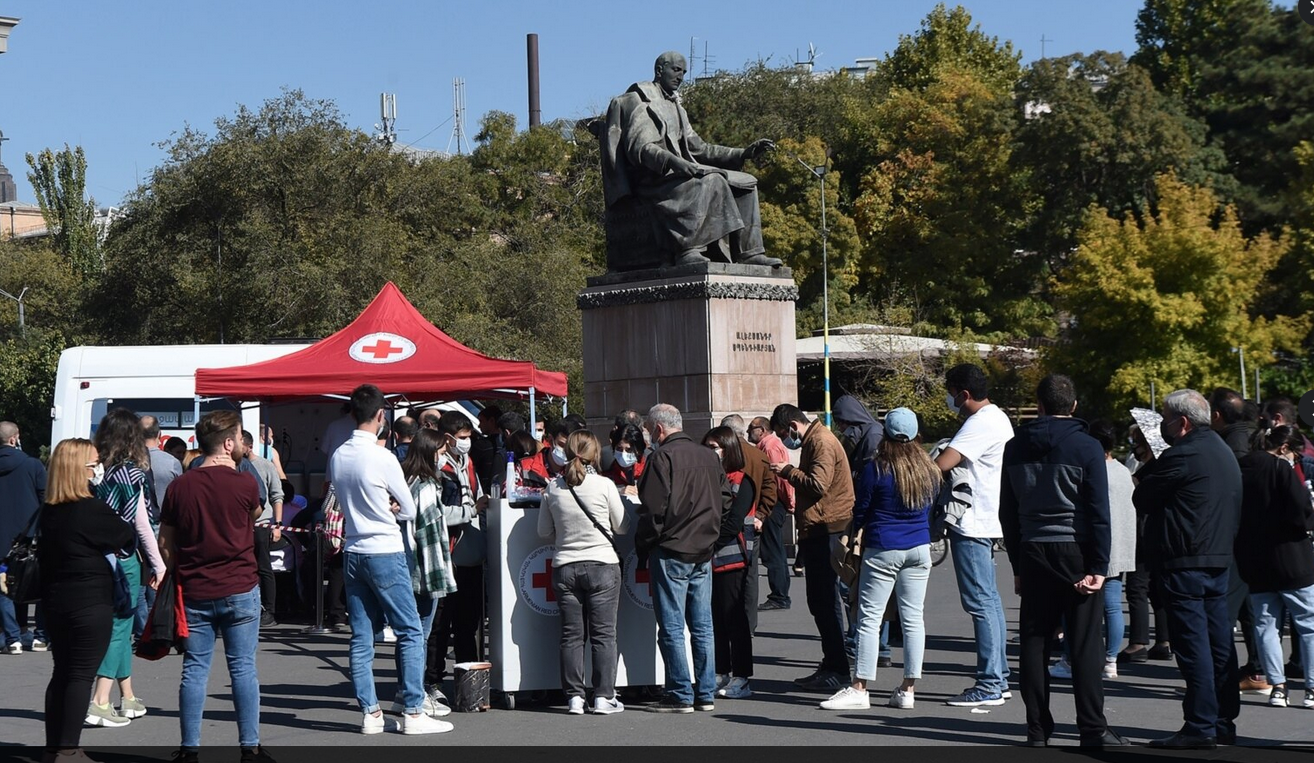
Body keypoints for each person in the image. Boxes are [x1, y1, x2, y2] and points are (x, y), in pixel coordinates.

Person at [999, 375, 1127, 748]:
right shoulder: (1087, 447)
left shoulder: (1015, 446)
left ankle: (1037, 729)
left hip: (1034, 550)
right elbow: (1099, 511)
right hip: (1077, 548)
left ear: (1038, 404)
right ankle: (1091, 729)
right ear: (1072, 406)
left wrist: (1018, 565)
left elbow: (1008, 511)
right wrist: (1099, 567)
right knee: (1085, 643)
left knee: (1035, 644)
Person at [329, 384, 451, 736]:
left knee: (361, 636)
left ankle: (371, 712)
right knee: (411, 631)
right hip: (385, 549)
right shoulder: (383, 458)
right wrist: (393, 507)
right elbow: (409, 508)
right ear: (381, 416)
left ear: (353, 413)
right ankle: (413, 710)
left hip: (353, 550)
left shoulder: (339, 455)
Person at [157, 411, 271, 762]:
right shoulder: (245, 484)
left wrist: (175, 565)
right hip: (240, 586)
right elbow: (252, 516)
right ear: (228, 442)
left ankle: (189, 749)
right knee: (243, 668)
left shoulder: (180, 487)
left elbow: (165, 543)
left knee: (194, 669)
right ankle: (249, 748)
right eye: (238, 437)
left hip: (194, 589)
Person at [1133, 389, 1242, 749]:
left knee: (1194, 646)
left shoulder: (1185, 453)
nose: (1161, 425)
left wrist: (1152, 460)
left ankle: (1200, 725)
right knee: (1218, 642)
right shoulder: (1220, 449)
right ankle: (1222, 720)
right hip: (1216, 558)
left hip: (1185, 561)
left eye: (1164, 418)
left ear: (1180, 423)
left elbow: (1143, 496)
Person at [603, 51, 780, 268]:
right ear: (660, 70)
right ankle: (688, 250)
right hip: (654, 179)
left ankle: (750, 252)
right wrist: (673, 162)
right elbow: (640, 147)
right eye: (676, 70)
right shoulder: (640, 99)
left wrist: (742, 153)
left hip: (679, 174)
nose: (681, 77)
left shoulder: (677, 106)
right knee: (713, 180)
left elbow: (699, 148)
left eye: (684, 72)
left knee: (745, 182)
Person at [819, 408, 934, 713]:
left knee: (869, 618)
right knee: (913, 619)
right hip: (919, 548)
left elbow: (862, 509)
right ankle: (908, 689)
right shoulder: (928, 467)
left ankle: (860, 688)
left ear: (886, 434)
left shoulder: (878, 467)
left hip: (883, 547)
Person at [37, 439, 135, 761]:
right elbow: (125, 535)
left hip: (54, 602)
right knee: (80, 676)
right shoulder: (90, 508)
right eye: (93, 465)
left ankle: (56, 745)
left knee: (62, 673)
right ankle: (68, 749)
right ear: (79, 470)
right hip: (90, 603)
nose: (98, 471)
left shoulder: (49, 511)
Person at [637, 404, 729, 713]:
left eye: (649, 429)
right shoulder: (708, 455)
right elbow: (726, 499)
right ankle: (704, 692)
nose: (649, 436)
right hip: (702, 549)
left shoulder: (661, 458)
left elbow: (652, 510)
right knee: (702, 625)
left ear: (659, 430)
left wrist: (645, 544)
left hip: (673, 548)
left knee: (673, 626)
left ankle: (679, 691)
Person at [935, 364, 1014, 707]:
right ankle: (999, 676)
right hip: (988, 519)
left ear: (964, 394)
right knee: (990, 602)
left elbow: (941, 464)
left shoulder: (979, 423)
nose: (951, 400)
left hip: (972, 521)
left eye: (952, 394)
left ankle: (990, 682)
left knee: (980, 603)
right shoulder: (998, 417)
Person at [538, 429, 629, 715]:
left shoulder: (553, 488)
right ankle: (604, 696)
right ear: (594, 454)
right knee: (604, 636)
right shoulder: (604, 485)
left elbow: (543, 532)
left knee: (571, 636)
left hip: (565, 567)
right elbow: (622, 526)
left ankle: (574, 697)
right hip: (602, 565)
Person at [768, 403, 855, 691]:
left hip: (827, 529)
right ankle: (832, 663)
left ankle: (838, 668)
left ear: (792, 426)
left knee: (825, 601)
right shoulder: (817, 439)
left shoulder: (820, 441)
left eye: (783, 433)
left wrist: (787, 471)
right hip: (820, 528)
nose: (784, 440)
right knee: (819, 601)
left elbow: (818, 484)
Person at [88, 408, 164, 727]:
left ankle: (128, 696)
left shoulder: (96, 470)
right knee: (120, 627)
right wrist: (158, 564)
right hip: (123, 556)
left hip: (96, 556)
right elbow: (142, 524)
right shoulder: (131, 473)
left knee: (118, 624)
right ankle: (99, 701)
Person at [1237, 425, 1314, 710]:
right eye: (1294, 454)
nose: (1295, 460)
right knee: (1308, 623)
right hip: (1292, 558)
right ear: (1284, 449)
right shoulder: (1282, 470)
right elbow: (1301, 510)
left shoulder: (1241, 466)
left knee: (1266, 626)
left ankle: (1277, 686)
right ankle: (1311, 688)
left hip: (1254, 559)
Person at [429, 410, 488, 697]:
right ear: (449, 438)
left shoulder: (468, 462)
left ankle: (469, 680)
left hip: (469, 553)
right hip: (445, 553)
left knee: (469, 621)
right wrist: (471, 510)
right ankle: (433, 681)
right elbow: (435, 512)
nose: (467, 442)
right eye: (463, 438)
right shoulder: (437, 466)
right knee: (440, 623)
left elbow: (476, 495)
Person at [399, 428, 458, 718]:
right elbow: (426, 535)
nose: (443, 457)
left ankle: (408, 691)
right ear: (428, 452)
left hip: (414, 567)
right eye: (440, 452)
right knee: (418, 635)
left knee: (411, 635)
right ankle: (415, 694)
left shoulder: (409, 482)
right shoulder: (424, 487)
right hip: (425, 569)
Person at [702, 427, 759, 700]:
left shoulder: (742, 481)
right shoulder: (708, 477)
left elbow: (734, 521)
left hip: (732, 557)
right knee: (716, 620)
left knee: (735, 619)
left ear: (727, 448)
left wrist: (705, 543)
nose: (710, 451)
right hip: (709, 558)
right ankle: (721, 670)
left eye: (714, 446)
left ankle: (742, 676)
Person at [1121, 424, 1173, 664]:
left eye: (1137, 443)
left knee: (1137, 586)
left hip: (1145, 531)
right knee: (1156, 589)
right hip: (1162, 532)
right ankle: (1164, 640)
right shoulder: (1169, 463)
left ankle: (1138, 642)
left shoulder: (1152, 468)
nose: (1135, 448)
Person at [0, 421, 46, 654]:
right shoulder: (33, 465)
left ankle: (13, 639)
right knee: (36, 584)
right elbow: (45, 499)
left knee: (3, 589)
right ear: (13, 438)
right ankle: (39, 637)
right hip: (29, 539)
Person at [749, 416, 794, 611]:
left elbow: (781, 479)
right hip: (774, 503)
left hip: (773, 504)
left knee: (773, 551)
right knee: (773, 550)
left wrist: (789, 501)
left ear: (762, 430)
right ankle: (779, 594)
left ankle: (779, 595)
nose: (748, 431)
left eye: (752, 428)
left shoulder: (770, 447)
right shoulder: (766, 446)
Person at [241, 431, 284, 628]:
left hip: (262, 524)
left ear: (248, 446)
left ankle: (270, 610)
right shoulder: (235, 466)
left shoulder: (265, 466)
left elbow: (277, 495)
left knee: (264, 567)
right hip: (241, 525)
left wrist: (277, 525)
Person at [605, 423, 646, 496]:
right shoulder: (607, 472)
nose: (623, 454)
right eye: (619, 449)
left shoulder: (647, 470)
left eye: (629, 450)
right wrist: (620, 491)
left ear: (639, 450)